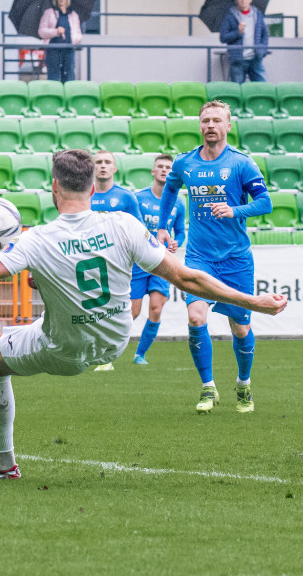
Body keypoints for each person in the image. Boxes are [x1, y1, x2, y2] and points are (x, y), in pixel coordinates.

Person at [0, 149, 286, 480]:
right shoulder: (124, 225)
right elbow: (188, 278)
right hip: (114, 342)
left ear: (54, 187)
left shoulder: (37, 240)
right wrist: (253, 302)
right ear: (93, 187)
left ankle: (3, 464)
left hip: (64, 348)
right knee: (38, 324)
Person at [157, 100, 273, 414]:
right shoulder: (185, 162)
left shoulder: (241, 163)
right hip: (199, 257)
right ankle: (208, 387)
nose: (210, 125)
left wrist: (235, 210)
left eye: (217, 120)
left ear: (228, 126)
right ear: (200, 125)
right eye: (206, 120)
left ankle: (243, 384)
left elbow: (265, 203)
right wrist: (162, 226)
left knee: (240, 327)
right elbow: (170, 190)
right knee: (196, 318)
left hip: (236, 258)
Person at [88, 150, 140, 371]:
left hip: (118, 263)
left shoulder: (126, 197)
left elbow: (138, 228)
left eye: (107, 162)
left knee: (120, 310)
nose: (103, 165)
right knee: (93, 310)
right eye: (98, 162)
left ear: (114, 168)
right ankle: (100, 354)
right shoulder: (84, 195)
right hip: (90, 262)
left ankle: (107, 354)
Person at [132, 154, 186, 365]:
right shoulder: (138, 198)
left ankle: (140, 354)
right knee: (132, 312)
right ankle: (107, 351)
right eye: (160, 166)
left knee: (156, 308)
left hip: (162, 261)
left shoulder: (178, 203)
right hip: (138, 261)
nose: (164, 170)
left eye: (168, 167)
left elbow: (180, 232)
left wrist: (176, 242)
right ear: (153, 171)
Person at [219, 0, 269, 83]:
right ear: (236, 0)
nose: (243, 0)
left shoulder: (257, 14)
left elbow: (265, 34)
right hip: (237, 60)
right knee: (238, 89)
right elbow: (223, 38)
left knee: (262, 87)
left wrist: (262, 50)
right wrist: (238, 32)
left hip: (256, 58)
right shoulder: (230, 16)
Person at [38, 0, 83, 83]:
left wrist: (73, 39)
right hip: (53, 50)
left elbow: (78, 34)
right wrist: (56, 31)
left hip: (68, 49)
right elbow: (41, 31)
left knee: (69, 76)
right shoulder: (49, 13)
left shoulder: (73, 15)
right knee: (53, 77)